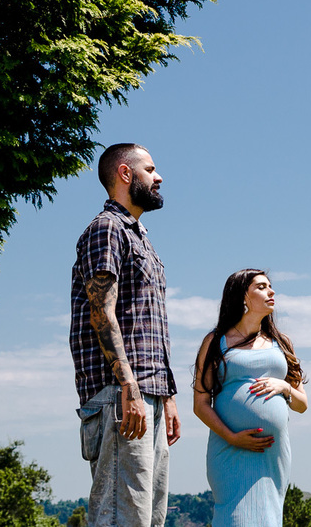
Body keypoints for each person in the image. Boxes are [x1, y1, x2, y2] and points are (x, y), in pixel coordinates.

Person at [70, 143, 181, 527]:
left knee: (148, 518)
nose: (159, 177)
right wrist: (129, 387)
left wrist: (165, 397)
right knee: (121, 519)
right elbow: (102, 312)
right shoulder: (106, 230)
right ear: (124, 174)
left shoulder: (142, 239)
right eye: (150, 169)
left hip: (146, 394)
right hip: (119, 396)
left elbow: (148, 324)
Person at [193, 269, 308, 527]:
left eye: (270, 286)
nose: (272, 291)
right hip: (230, 449)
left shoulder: (282, 343)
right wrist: (232, 437)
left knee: (268, 519)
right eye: (262, 286)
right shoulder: (215, 342)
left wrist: (285, 388)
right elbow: (200, 405)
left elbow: (303, 404)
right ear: (243, 296)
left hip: (271, 453)